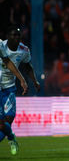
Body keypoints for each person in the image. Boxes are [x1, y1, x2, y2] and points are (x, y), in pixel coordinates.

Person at [0, 25, 37, 155]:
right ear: (8, 37)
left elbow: (10, 63)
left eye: (18, 35)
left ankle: (11, 138)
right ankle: (11, 138)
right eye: (13, 35)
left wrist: (26, 80)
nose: (16, 37)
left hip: (9, 87)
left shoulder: (22, 50)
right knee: (1, 124)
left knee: (8, 120)